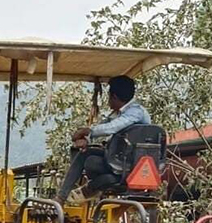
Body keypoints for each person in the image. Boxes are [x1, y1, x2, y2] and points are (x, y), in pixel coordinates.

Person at [56, 75, 151, 204]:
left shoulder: (136, 112)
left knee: (92, 163)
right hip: (118, 161)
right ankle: (77, 192)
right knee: (89, 158)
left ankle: (66, 196)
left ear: (114, 97)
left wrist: (89, 131)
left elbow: (113, 127)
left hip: (131, 164)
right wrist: (87, 139)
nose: (108, 100)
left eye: (108, 96)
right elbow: (104, 125)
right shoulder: (118, 113)